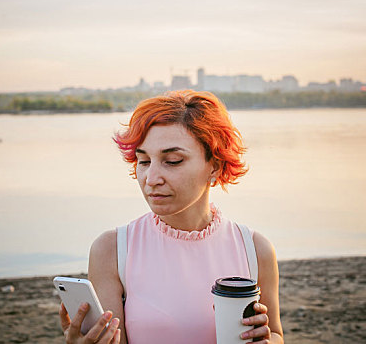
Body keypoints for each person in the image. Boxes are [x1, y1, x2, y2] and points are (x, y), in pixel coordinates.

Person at [59, 90, 284, 344]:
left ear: (215, 166)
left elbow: (275, 333)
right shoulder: (111, 250)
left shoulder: (255, 249)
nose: (151, 179)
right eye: (144, 161)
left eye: (173, 161)